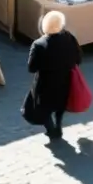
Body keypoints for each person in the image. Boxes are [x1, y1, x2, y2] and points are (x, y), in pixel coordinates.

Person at [27, 11, 81, 140]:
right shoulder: (69, 38)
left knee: (44, 108)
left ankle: (51, 130)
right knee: (60, 106)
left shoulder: (38, 44)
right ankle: (58, 126)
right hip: (65, 80)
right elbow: (78, 59)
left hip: (45, 84)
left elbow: (31, 68)